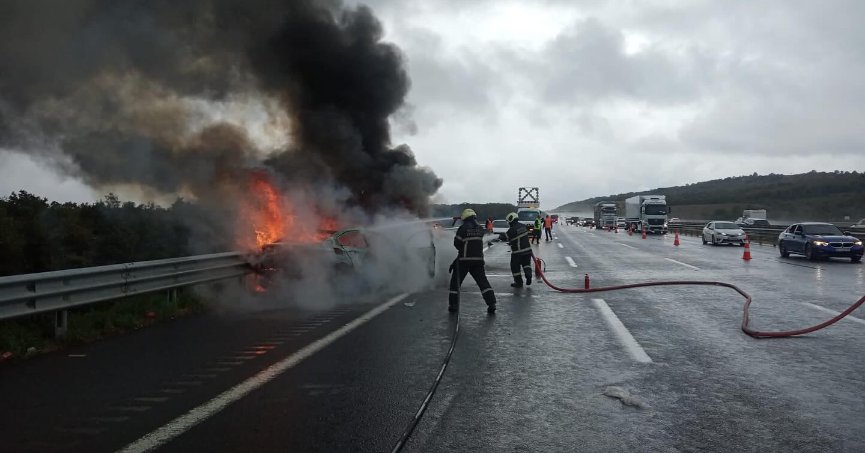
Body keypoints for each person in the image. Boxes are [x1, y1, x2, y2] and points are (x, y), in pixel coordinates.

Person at [449, 208, 497, 314]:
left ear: (465, 218)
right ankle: (491, 303)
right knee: (483, 282)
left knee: (455, 283)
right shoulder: (480, 229)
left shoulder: (462, 228)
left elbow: (457, 243)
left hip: (464, 261)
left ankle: (453, 305)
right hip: (478, 261)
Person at [502, 212, 533, 287]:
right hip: (528, 251)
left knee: (515, 267)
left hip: (517, 253)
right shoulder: (523, 226)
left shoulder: (512, 230)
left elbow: (504, 237)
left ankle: (519, 283)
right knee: (526, 265)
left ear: (511, 220)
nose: (508, 223)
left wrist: (500, 236)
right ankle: (528, 275)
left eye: (508, 221)